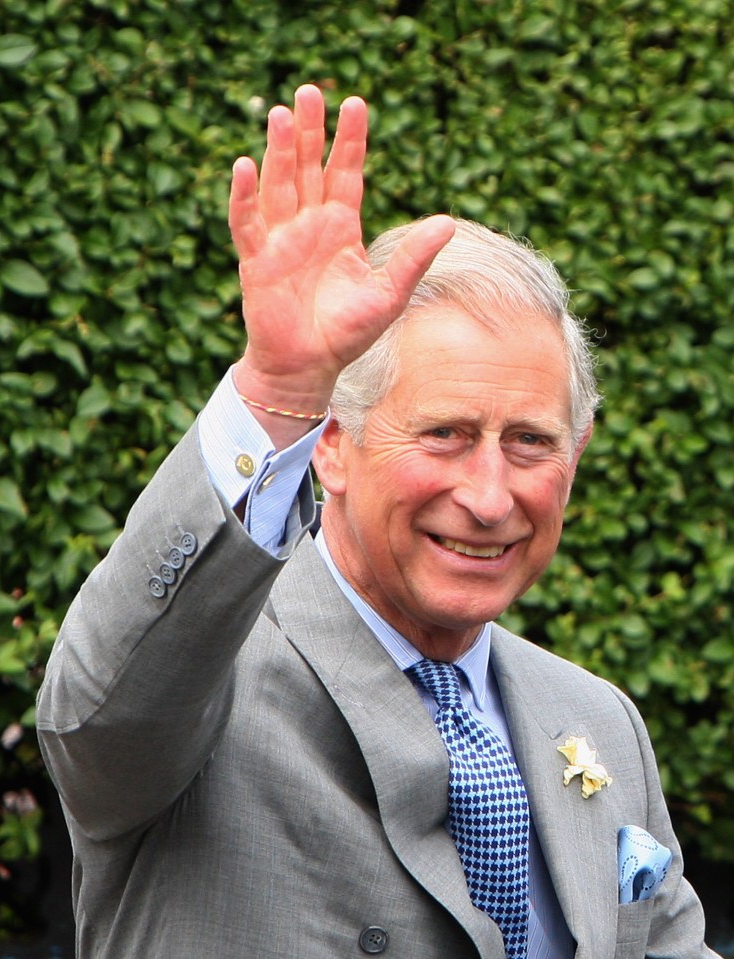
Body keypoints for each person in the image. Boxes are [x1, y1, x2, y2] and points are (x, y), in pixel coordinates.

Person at [36, 84, 720, 959]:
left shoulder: (595, 717)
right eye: (443, 434)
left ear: (576, 453)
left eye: (528, 442)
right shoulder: (203, 684)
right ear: (330, 446)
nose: (487, 493)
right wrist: (279, 392)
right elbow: (97, 714)